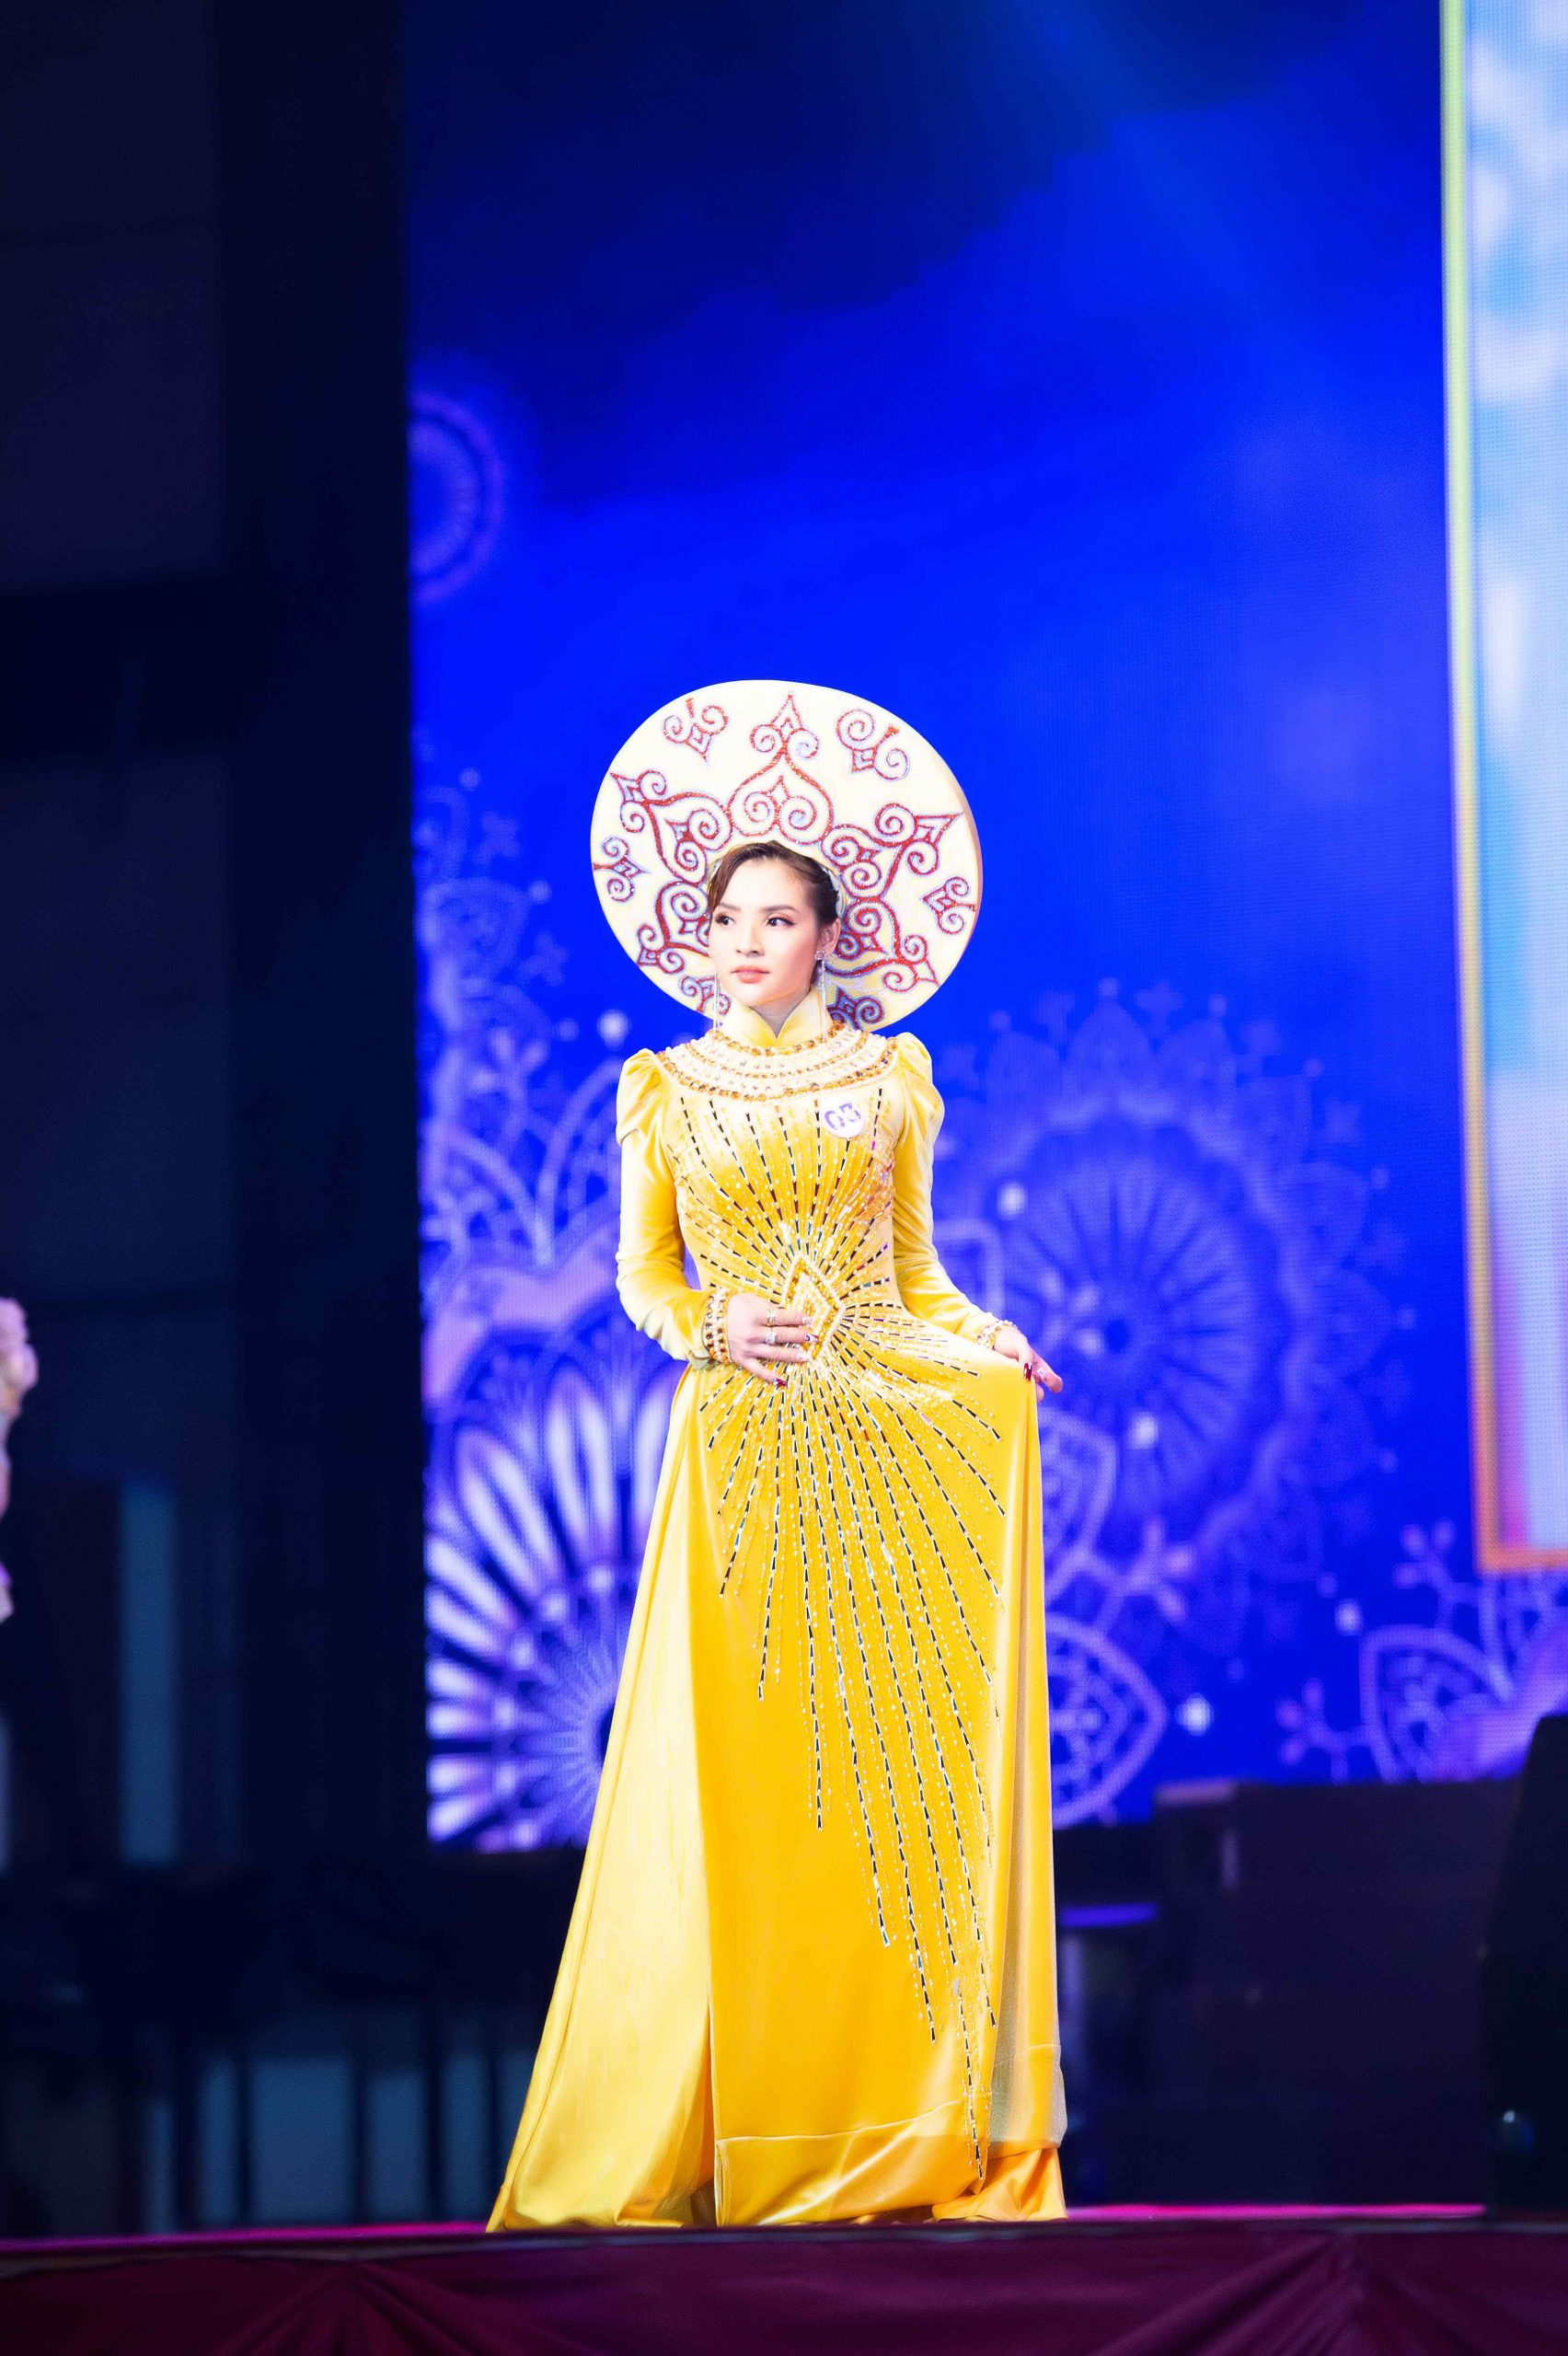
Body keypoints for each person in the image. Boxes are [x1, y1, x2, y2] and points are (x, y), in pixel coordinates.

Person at [491, 682, 1066, 2228]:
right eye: (728, 918)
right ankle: (738, 2133)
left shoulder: (892, 1078)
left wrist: (992, 1343)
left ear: (826, 939)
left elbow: (917, 1277)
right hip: (741, 1448)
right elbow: (643, 1277)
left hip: (887, 1443)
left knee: (883, 1789)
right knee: (754, 1793)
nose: (745, 941)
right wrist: (709, 1326)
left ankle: (891, 2123)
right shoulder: (661, 1089)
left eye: (776, 919)